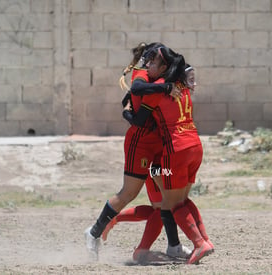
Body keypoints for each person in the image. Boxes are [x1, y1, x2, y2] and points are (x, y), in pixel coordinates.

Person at [84, 42, 191, 262]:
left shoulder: (159, 78)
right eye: (155, 60)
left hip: (159, 146)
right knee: (129, 193)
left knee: (165, 197)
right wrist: (161, 91)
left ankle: (173, 246)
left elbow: (133, 99)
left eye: (159, 62)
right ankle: (94, 232)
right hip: (140, 144)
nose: (154, 64)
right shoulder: (144, 74)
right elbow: (137, 93)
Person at [123, 47, 214, 264]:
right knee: (176, 201)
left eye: (153, 63)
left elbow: (138, 116)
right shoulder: (181, 85)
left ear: (164, 67)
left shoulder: (157, 89)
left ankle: (197, 244)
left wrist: (126, 109)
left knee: (168, 205)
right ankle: (197, 242)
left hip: (174, 152)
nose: (148, 67)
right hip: (194, 147)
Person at [102, 64, 198, 246]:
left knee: (163, 206)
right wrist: (127, 111)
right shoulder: (160, 92)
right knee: (164, 206)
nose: (194, 84)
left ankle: (172, 246)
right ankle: (146, 250)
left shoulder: (179, 97)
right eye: (191, 80)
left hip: (165, 158)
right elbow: (131, 99)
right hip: (152, 160)